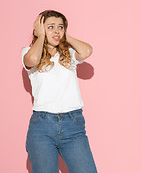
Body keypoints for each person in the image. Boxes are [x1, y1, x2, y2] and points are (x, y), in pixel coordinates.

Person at [22, 10, 97, 173]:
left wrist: (63, 36)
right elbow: (32, 60)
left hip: (73, 124)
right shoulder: (28, 53)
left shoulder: (69, 54)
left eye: (60, 27)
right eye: (50, 27)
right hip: (42, 126)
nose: (56, 30)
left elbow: (87, 51)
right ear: (39, 29)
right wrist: (41, 36)